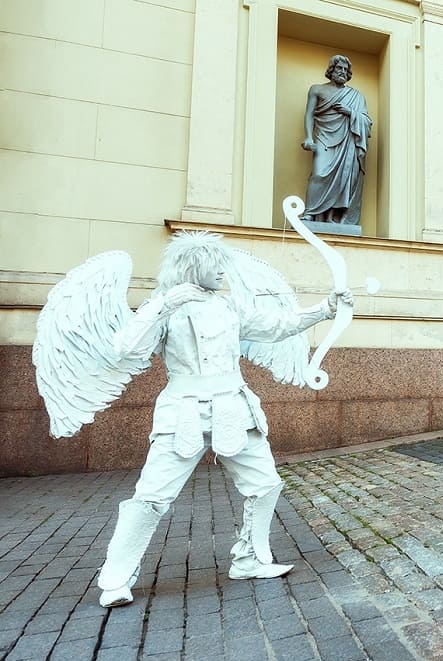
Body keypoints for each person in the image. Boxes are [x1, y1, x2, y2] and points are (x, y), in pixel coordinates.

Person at [96, 232, 353, 608]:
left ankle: (249, 560)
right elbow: (125, 348)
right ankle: (115, 580)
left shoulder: (230, 308)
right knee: (151, 497)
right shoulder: (165, 306)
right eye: (214, 264)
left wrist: (325, 309)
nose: (222, 271)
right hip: (182, 412)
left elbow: (277, 324)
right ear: (194, 265)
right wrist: (163, 306)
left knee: (265, 484)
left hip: (234, 408)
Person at [301, 54, 373, 225]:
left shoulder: (356, 96)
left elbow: (367, 121)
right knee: (319, 174)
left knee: (344, 178)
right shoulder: (317, 89)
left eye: (345, 70)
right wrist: (308, 138)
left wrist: (350, 112)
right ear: (331, 70)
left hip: (348, 141)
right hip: (324, 137)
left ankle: (333, 216)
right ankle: (310, 212)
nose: (342, 72)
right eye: (339, 68)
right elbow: (309, 114)